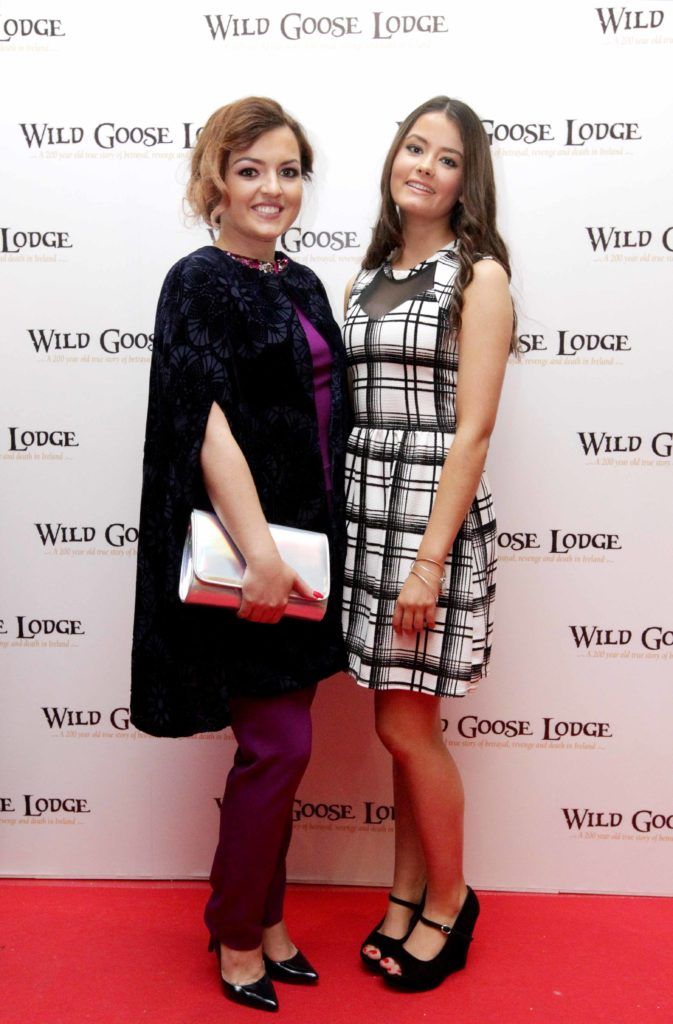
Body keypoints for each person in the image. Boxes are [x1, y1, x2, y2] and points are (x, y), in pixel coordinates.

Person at [130, 97, 350, 1012]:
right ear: (215, 181)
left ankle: (266, 919)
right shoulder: (199, 282)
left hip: (308, 549)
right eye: (250, 169)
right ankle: (233, 931)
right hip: (251, 555)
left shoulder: (298, 282)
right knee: (277, 746)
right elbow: (205, 426)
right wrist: (259, 554)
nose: (272, 188)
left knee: (282, 755)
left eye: (288, 170)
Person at [342, 96, 515, 992]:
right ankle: (404, 889)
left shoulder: (477, 277)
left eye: (446, 159)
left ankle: (449, 900)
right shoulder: (366, 275)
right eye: (414, 147)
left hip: (426, 527)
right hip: (365, 520)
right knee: (402, 727)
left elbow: (473, 432)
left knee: (404, 726)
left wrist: (428, 561)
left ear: (465, 180)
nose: (424, 167)